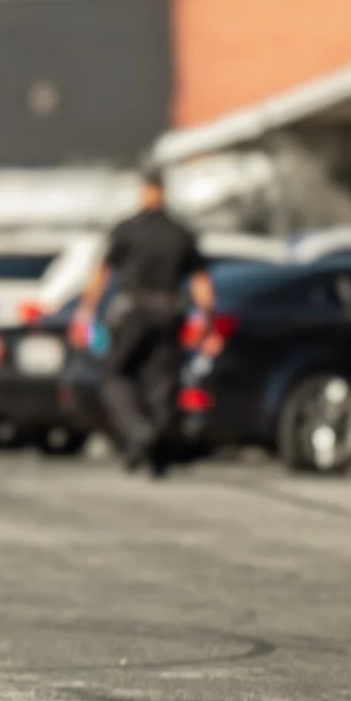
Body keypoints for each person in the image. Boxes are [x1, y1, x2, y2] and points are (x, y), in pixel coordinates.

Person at [86, 172, 211, 475]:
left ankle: (138, 430)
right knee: (162, 381)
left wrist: (86, 311)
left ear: (145, 192)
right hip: (170, 312)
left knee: (115, 376)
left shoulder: (129, 229)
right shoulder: (180, 232)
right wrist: (207, 320)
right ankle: (154, 443)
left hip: (135, 312)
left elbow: (102, 273)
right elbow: (201, 283)